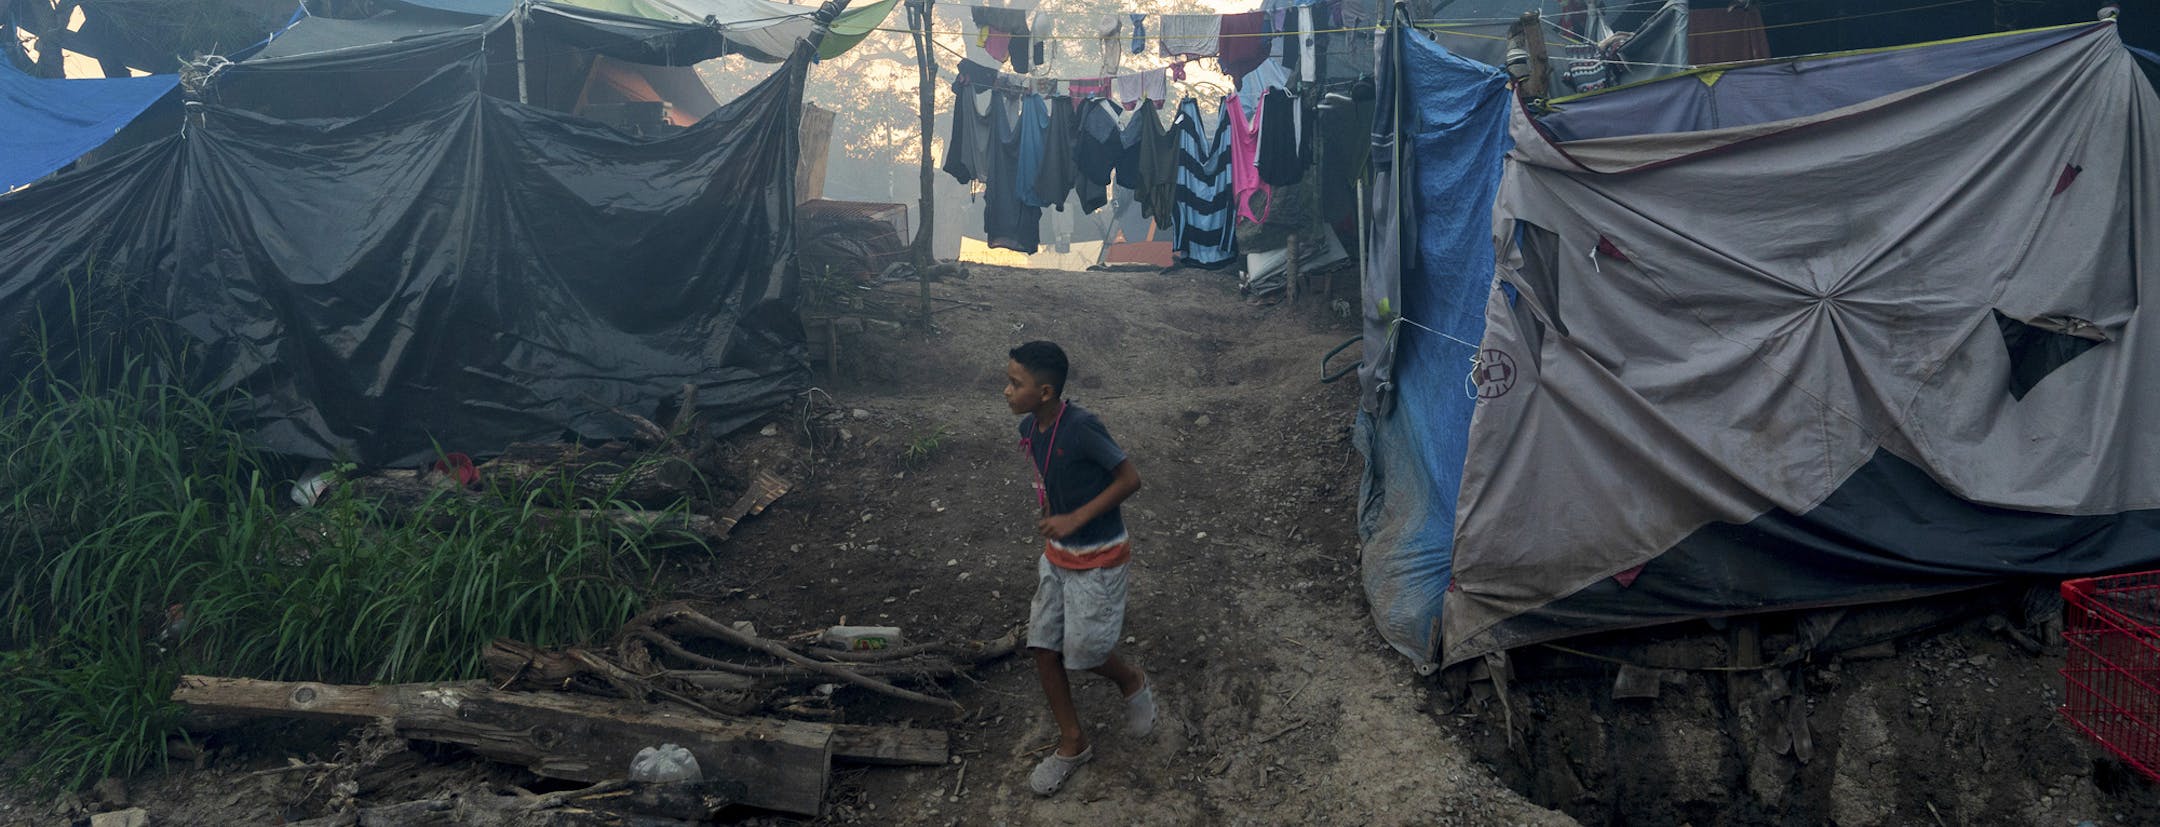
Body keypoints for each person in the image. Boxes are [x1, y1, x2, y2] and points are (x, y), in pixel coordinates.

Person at [1001, 340, 1156, 796]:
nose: (1006, 391)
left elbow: (1130, 479)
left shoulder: (1083, 426)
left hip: (1099, 558)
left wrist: (1075, 518)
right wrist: (1053, 507)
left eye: (1015, 383)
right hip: (1058, 557)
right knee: (1043, 646)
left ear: (1045, 392)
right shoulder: (1031, 427)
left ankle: (1131, 680)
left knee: (1085, 652)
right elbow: (1055, 474)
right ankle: (1073, 742)